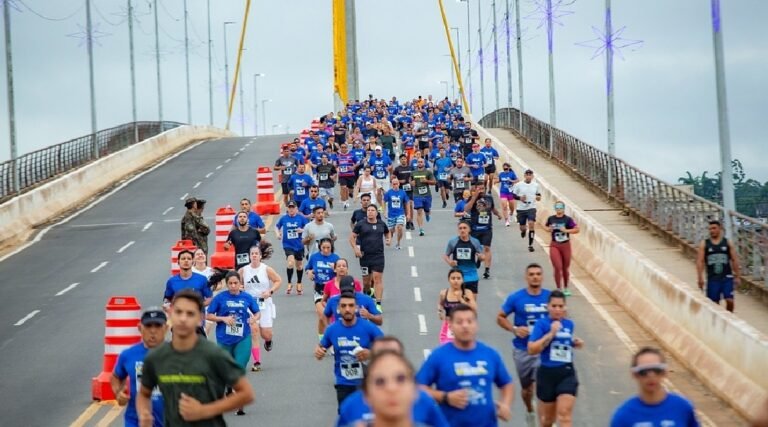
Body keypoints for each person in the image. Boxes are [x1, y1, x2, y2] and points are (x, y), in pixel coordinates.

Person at [136, 290, 255, 426]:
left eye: (190, 314)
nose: (183, 319)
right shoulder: (156, 357)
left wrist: (204, 411)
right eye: (178, 312)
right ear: (170, 315)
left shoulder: (213, 354)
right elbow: (144, 393)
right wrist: (144, 414)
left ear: (200, 319)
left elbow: (246, 393)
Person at [416, 305, 514, 427]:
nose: (465, 326)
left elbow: (506, 383)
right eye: (459, 322)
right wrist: (445, 397)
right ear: (450, 325)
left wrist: (505, 404)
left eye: (469, 321)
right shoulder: (438, 356)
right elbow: (417, 388)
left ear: (476, 325)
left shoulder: (490, 354)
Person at [337, 337, 450, 427]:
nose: (391, 388)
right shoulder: (351, 405)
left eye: (400, 379)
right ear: (367, 394)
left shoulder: (425, 402)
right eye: (380, 381)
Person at [496, 263, 552, 426]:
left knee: (543, 386)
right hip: (523, 350)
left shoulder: (550, 298)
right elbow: (500, 317)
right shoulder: (516, 298)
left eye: (538, 274)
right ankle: (529, 409)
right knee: (527, 390)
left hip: (544, 350)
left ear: (542, 276)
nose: (535, 277)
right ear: (526, 277)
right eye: (532, 274)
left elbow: (561, 317)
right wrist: (514, 329)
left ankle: (547, 421)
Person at [315, 291, 384, 410]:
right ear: (338, 309)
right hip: (343, 384)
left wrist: (371, 353)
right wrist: (318, 351)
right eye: (343, 306)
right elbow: (321, 347)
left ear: (356, 308)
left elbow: (388, 348)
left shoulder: (368, 327)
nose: (347, 309)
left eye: (351, 306)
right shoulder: (332, 329)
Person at [205, 272, 260, 415]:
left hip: (243, 338)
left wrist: (254, 319)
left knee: (239, 368)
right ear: (227, 284)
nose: (233, 286)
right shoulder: (220, 298)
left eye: (236, 283)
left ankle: (239, 402)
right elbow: (209, 315)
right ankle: (229, 387)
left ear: (240, 283)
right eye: (230, 283)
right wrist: (223, 319)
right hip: (224, 339)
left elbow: (257, 312)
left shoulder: (246, 297)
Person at [528, 290, 584, 427]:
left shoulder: (569, 324)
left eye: (560, 306)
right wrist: (551, 333)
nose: (557, 310)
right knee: (547, 420)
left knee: (564, 415)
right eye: (554, 306)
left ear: (565, 307)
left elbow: (563, 343)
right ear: (548, 307)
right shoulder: (541, 325)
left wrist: (573, 343)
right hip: (547, 374)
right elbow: (531, 349)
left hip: (566, 372)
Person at [610, 347, 700, 427]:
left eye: (657, 370)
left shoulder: (683, 407)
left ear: (664, 372)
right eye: (643, 372)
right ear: (634, 374)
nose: (651, 376)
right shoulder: (623, 416)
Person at [111, 307, 168, 427]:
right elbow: (116, 376)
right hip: (135, 421)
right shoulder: (128, 355)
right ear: (140, 328)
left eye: (157, 326)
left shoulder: (178, 354)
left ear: (166, 328)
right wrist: (118, 392)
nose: (153, 331)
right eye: (148, 326)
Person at [239, 242, 282, 372]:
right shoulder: (243, 270)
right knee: (254, 331)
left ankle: (268, 341)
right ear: (249, 256)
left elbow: (278, 280)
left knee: (266, 334)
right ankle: (257, 361)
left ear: (260, 256)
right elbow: (236, 283)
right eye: (252, 254)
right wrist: (240, 288)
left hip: (264, 304)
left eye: (256, 254)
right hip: (250, 305)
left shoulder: (266, 269)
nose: (254, 256)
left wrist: (270, 292)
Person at [350, 204, 391, 310]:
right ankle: (368, 293)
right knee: (366, 283)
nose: (370, 212)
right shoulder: (360, 224)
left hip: (378, 256)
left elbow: (387, 233)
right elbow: (352, 237)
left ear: (376, 213)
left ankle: (378, 304)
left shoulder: (381, 224)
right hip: (365, 256)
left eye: (373, 210)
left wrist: (388, 240)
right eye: (368, 210)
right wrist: (356, 248)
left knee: (378, 279)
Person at [696, 220, 740, 312]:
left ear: (720, 229)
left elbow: (734, 259)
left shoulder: (727, 243)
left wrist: (737, 276)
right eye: (710, 229)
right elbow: (700, 261)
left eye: (714, 228)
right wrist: (700, 278)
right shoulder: (705, 244)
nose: (712, 231)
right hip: (713, 278)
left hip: (727, 277)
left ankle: (729, 317)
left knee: (730, 300)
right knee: (714, 304)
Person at [464, 183, 502, 279]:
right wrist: (474, 196)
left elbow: (492, 208)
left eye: (483, 188)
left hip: (487, 228)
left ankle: (487, 270)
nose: (481, 190)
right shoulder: (472, 198)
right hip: (475, 228)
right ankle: (478, 259)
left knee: (487, 248)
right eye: (479, 188)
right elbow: (466, 209)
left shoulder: (489, 198)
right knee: (474, 249)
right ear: (476, 189)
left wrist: (498, 214)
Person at [307, 238, 341, 340]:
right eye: (323, 248)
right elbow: (308, 268)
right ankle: (325, 340)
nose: (326, 250)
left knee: (329, 318)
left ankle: (326, 339)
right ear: (319, 247)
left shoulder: (336, 258)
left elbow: (343, 273)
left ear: (332, 247)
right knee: (323, 316)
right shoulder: (314, 257)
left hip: (332, 291)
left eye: (328, 248)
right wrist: (309, 272)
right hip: (319, 290)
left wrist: (335, 269)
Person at [544, 202, 579, 296]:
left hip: (565, 245)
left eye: (560, 207)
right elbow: (546, 227)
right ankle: (558, 288)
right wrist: (549, 229)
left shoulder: (568, 219)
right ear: (555, 208)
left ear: (563, 209)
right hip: (555, 245)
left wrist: (566, 230)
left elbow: (577, 229)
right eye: (557, 207)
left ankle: (566, 288)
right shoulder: (551, 219)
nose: (558, 209)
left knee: (565, 268)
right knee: (557, 266)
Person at [276, 200, 310, 295]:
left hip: (299, 245)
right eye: (289, 207)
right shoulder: (284, 218)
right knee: (290, 262)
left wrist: (302, 230)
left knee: (299, 265)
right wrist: (278, 234)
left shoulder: (301, 218)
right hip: (287, 244)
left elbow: (308, 229)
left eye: (293, 207)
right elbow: (276, 226)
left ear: (296, 209)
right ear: (287, 208)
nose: (291, 209)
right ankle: (289, 283)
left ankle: (299, 283)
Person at [443, 221, 484, 295]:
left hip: (472, 276)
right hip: (458, 277)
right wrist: (450, 262)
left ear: (469, 230)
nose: (462, 230)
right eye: (460, 228)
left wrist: (481, 258)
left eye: (465, 228)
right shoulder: (453, 242)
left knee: (471, 304)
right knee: (458, 303)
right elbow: (446, 255)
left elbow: (482, 256)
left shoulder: (475, 242)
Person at [437, 268, 477, 344]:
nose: (456, 281)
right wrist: (439, 311)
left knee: (462, 352)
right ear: (449, 279)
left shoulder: (467, 293)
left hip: (464, 327)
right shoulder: (444, 293)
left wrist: (460, 299)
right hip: (448, 327)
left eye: (458, 278)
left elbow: (474, 309)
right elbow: (440, 304)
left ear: (462, 280)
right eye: (453, 278)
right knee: (447, 351)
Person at [512, 169, 541, 253]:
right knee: (522, 227)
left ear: (532, 176)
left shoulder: (536, 185)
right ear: (524, 176)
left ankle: (530, 245)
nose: (528, 176)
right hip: (521, 208)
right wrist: (520, 198)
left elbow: (538, 194)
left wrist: (538, 197)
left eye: (530, 175)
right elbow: (513, 195)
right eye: (527, 175)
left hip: (531, 207)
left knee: (531, 224)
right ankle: (523, 231)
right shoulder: (518, 185)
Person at [411, 157, 436, 237]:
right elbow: (410, 180)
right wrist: (411, 183)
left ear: (424, 163)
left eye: (421, 162)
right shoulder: (413, 172)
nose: (420, 163)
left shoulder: (428, 172)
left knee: (427, 210)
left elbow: (434, 182)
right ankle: (421, 229)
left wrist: (426, 181)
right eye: (418, 162)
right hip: (417, 194)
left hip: (427, 194)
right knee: (419, 211)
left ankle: (427, 214)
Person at [383, 177, 409, 249]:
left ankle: (398, 243)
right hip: (391, 214)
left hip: (400, 213)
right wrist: (384, 211)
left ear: (399, 184)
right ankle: (391, 237)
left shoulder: (402, 192)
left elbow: (407, 203)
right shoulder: (389, 193)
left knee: (400, 228)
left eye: (396, 184)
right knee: (391, 230)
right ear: (391, 184)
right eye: (393, 184)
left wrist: (408, 213)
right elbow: (384, 201)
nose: (395, 185)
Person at [394, 154, 416, 230]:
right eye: (402, 159)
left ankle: (411, 222)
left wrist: (413, 182)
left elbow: (414, 177)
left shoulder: (411, 167)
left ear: (407, 160)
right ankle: (407, 221)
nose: (403, 160)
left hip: (410, 189)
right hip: (401, 190)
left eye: (405, 159)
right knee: (404, 207)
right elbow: (392, 179)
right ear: (400, 160)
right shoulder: (397, 169)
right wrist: (399, 181)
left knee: (410, 205)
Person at [337, 143, 357, 210]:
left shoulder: (351, 155)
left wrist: (353, 167)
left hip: (350, 175)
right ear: (340, 148)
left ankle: (350, 193)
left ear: (347, 148)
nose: (343, 149)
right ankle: (345, 202)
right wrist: (336, 168)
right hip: (342, 175)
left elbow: (357, 162)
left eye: (345, 147)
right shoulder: (338, 156)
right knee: (344, 188)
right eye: (342, 147)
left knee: (350, 189)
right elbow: (335, 164)